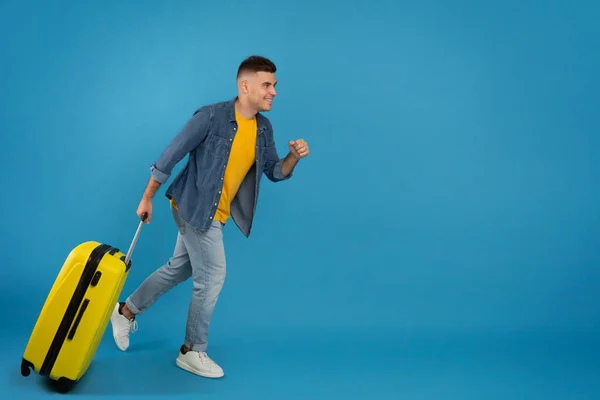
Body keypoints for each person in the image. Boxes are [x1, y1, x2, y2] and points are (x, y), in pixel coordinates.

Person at [109, 55, 309, 378]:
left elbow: (274, 170)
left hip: (214, 214)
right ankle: (192, 350)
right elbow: (169, 155)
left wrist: (293, 158)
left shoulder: (263, 129)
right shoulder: (211, 117)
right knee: (213, 275)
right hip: (193, 208)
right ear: (245, 86)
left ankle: (124, 311)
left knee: (178, 269)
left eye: (274, 85)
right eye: (267, 85)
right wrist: (147, 197)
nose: (273, 92)